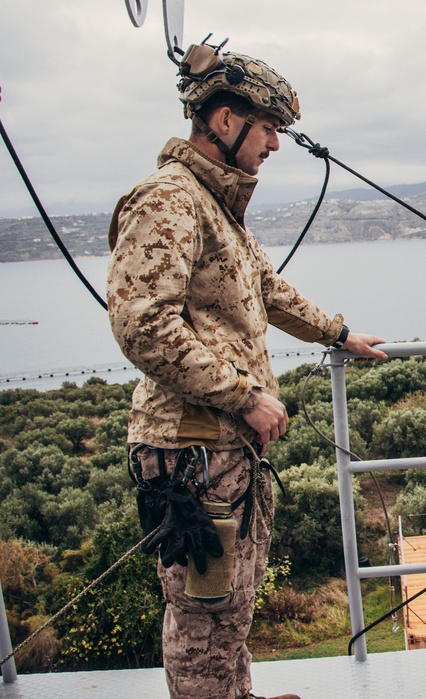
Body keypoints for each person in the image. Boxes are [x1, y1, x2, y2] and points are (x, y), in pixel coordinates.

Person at [107, 42, 387, 699]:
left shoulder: (214, 207)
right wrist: (245, 397)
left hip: (221, 449)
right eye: (269, 129)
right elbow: (142, 324)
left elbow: (268, 289)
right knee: (201, 620)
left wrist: (339, 333)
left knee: (228, 607)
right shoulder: (169, 199)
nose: (277, 146)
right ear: (225, 122)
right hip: (192, 452)